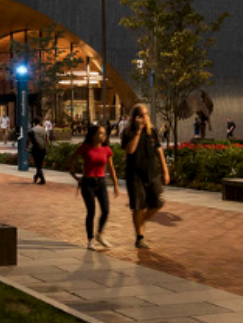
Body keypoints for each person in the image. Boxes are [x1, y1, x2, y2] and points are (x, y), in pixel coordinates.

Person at [121, 103, 170, 250]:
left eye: (146, 114)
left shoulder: (152, 131)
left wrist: (165, 170)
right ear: (134, 117)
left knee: (157, 204)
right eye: (141, 115)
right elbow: (130, 150)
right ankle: (140, 237)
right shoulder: (128, 132)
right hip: (135, 175)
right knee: (138, 207)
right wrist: (138, 131)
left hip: (152, 172)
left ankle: (140, 223)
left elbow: (159, 151)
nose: (144, 118)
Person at [68, 124, 120, 251]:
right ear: (93, 135)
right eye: (100, 133)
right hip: (87, 183)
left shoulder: (106, 149)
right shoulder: (85, 147)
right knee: (91, 211)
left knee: (106, 210)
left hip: (101, 182)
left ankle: (100, 235)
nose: (103, 136)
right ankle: (90, 239)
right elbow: (72, 160)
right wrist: (75, 176)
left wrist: (116, 185)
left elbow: (111, 168)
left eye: (104, 133)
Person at [28, 118, 48, 184]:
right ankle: (37, 176)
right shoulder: (43, 129)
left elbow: (29, 139)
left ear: (34, 123)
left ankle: (42, 179)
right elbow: (47, 139)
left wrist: (26, 146)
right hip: (43, 148)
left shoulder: (32, 130)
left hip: (36, 148)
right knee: (40, 163)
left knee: (37, 164)